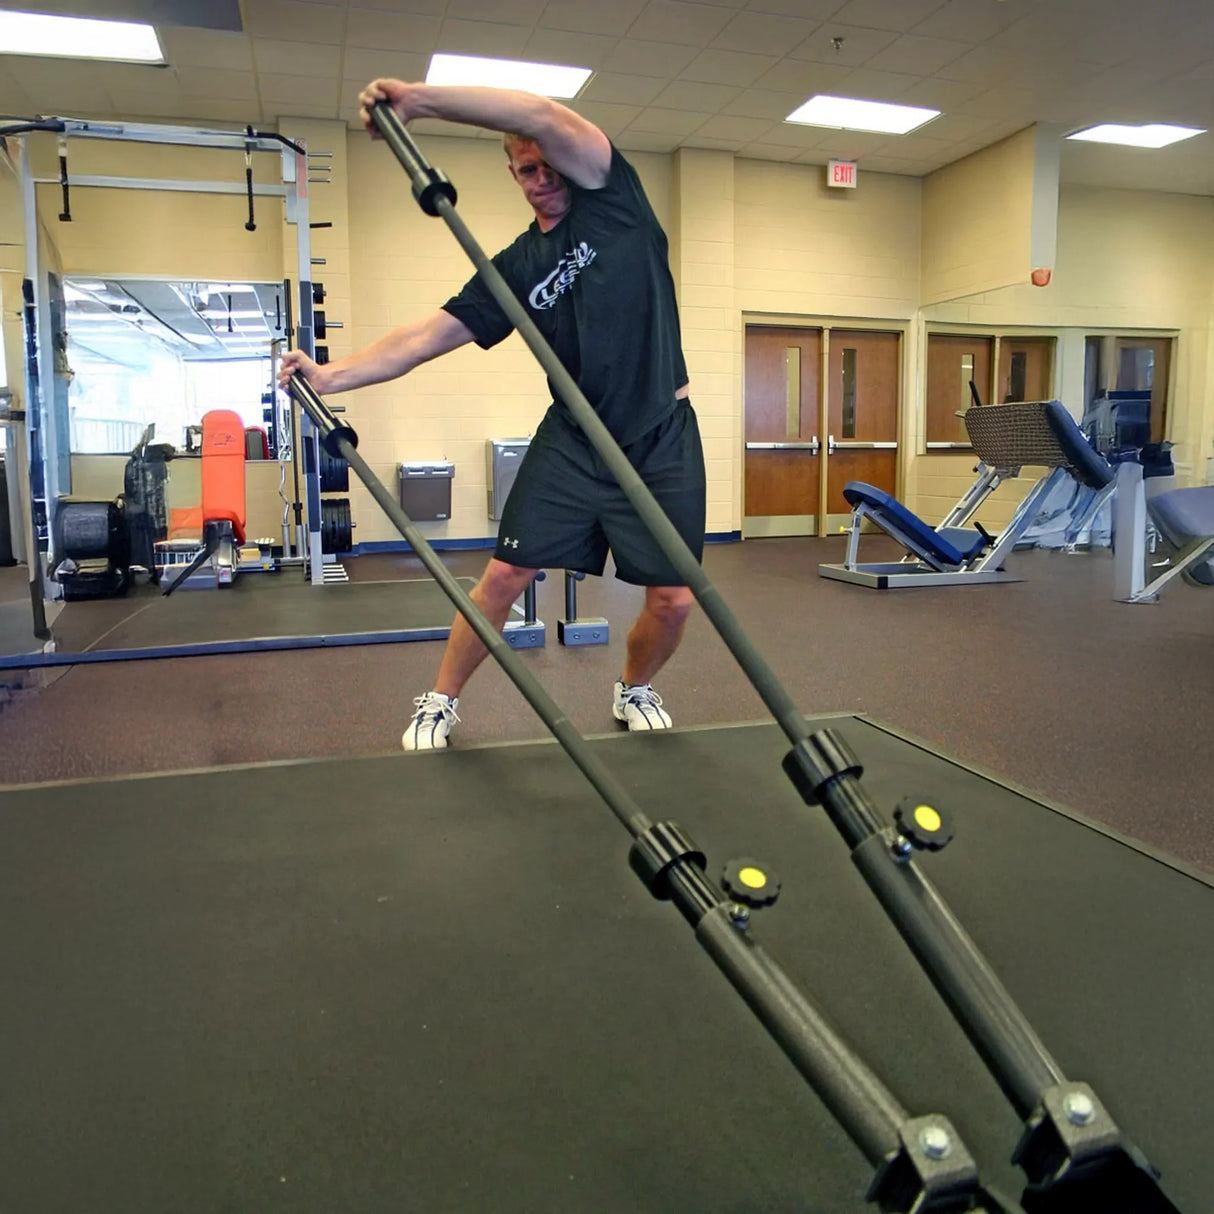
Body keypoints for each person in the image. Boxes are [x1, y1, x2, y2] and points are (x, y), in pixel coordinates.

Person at [279, 79, 705, 751]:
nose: (542, 179)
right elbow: (424, 338)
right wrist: (331, 377)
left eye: (549, 164)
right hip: (574, 438)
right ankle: (441, 699)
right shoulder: (516, 267)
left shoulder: (612, 199)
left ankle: (633, 685)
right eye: (527, 170)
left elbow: (540, 114)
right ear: (512, 173)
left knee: (674, 600)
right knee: (504, 576)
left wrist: (421, 101)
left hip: (662, 434)